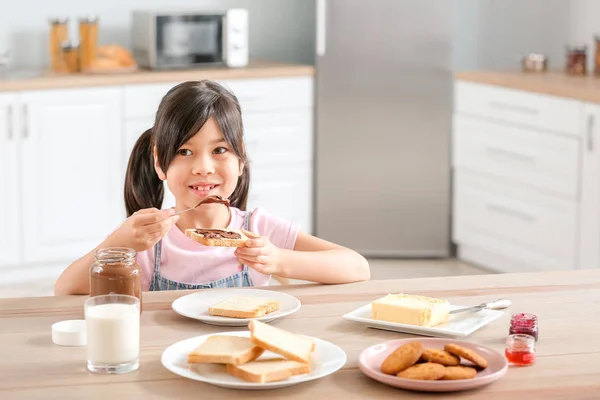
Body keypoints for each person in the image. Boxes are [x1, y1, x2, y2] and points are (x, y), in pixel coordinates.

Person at [54, 80, 370, 295]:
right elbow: (65, 289)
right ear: (159, 163)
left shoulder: (258, 228)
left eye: (219, 151)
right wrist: (119, 242)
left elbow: (357, 267)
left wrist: (277, 260)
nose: (204, 167)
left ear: (241, 158)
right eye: (184, 151)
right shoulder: (148, 243)